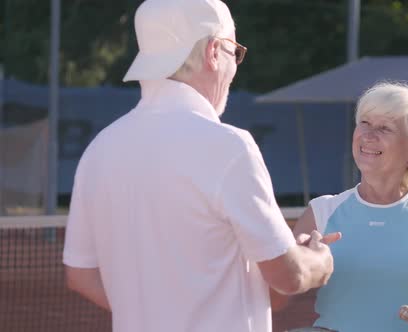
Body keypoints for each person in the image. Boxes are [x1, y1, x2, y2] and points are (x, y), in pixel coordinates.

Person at [62, 1, 338, 331]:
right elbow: (288, 276)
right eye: (234, 51)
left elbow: (81, 275)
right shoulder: (228, 146)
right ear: (212, 51)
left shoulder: (99, 150)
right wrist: (318, 260)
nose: (234, 66)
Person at [287, 82, 408, 332]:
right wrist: (296, 262)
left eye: (385, 128)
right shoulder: (320, 212)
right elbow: (279, 287)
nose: (368, 135)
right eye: (364, 123)